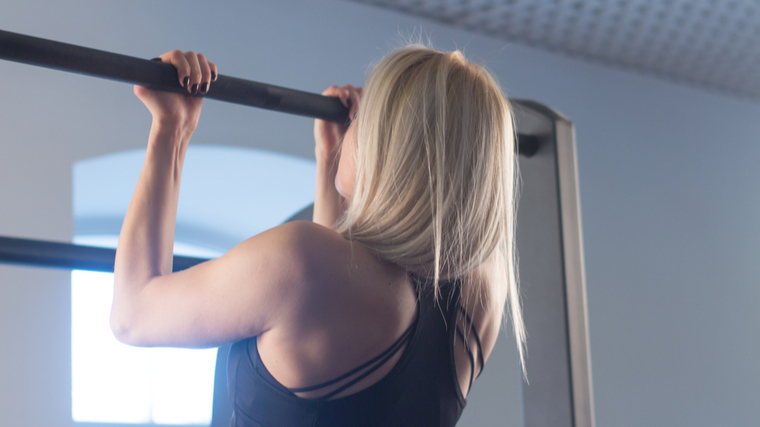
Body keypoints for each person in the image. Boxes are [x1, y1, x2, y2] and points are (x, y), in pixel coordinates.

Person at [111, 43, 526, 427]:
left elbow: (133, 314)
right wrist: (331, 159)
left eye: (367, 118)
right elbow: (332, 327)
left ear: (390, 145)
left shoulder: (301, 261)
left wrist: (172, 129)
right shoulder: (483, 287)